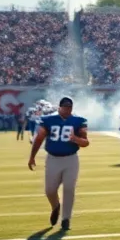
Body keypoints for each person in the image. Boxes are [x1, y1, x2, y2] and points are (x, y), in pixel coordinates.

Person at [28, 96, 89, 232]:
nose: (68, 110)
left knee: (69, 188)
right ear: (59, 107)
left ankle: (66, 219)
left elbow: (86, 142)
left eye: (70, 107)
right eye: (65, 107)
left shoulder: (79, 121)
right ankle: (56, 206)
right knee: (49, 190)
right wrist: (32, 156)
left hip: (71, 159)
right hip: (53, 159)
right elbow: (39, 138)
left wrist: (75, 139)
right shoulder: (48, 120)